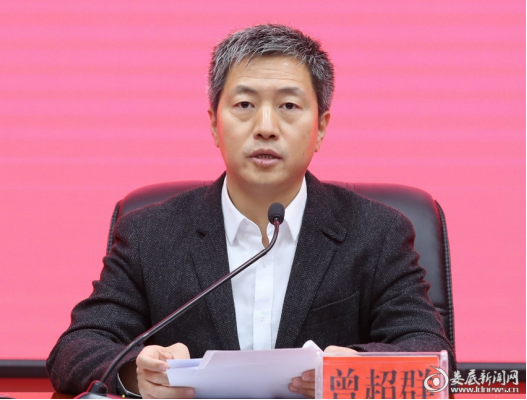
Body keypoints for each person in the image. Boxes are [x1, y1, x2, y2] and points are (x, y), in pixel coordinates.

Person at [47, 24, 456, 399]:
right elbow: (74, 349)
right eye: (244, 104)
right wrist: (135, 373)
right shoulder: (150, 234)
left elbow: (432, 356)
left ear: (321, 127)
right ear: (214, 124)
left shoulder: (377, 233)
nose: (265, 127)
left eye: (289, 106)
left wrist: (356, 371)